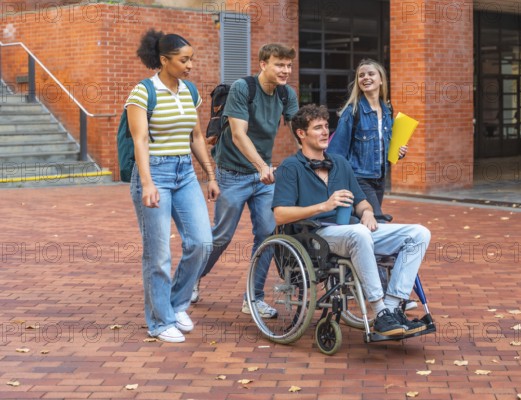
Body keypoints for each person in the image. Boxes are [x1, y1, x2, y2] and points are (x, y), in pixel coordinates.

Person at [272, 104, 430, 336]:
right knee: (359, 233)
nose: (325, 132)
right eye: (317, 128)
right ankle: (379, 310)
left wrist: (366, 212)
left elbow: (362, 202)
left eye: (326, 126)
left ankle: (393, 308)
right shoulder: (290, 167)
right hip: (315, 236)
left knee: (418, 233)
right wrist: (324, 206)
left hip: (353, 231)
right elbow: (280, 214)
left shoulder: (340, 163)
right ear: (301, 134)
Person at [191, 43, 299, 317]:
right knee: (222, 235)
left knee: (268, 233)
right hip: (232, 174)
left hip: (262, 177)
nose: (285, 70)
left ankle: (253, 296)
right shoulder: (243, 88)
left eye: (288, 65)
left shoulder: (287, 94)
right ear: (263, 64)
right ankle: (191, 278)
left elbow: (301, 132)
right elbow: (239, 134)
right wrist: (262, 166)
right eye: (279, 64)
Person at [126, 29, 219, 343]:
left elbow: (195, 137)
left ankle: (176, 304)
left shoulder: (190, 91)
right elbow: (139, 140)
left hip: (184, 173)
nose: (190, 64)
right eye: (184, 59)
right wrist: (147, 183)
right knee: (158, 254)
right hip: (154, 173)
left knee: (202, 242)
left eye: (191, 58)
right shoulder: (143, 92)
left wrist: (210, 174)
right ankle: (159, 321)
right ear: (164, 60)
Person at [328, 59, 416, 310]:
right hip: (358, 178)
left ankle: (375, 286)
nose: (366, 78)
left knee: (372, 232)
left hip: (378, 179)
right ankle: (389, 295)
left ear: (380, 79)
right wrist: (341, 185)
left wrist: (398, 151)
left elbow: (385, 149)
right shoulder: (352, 111)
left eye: (371, 74)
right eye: (361, 75)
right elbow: (336, 153)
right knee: (377, 229)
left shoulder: (387, 110)